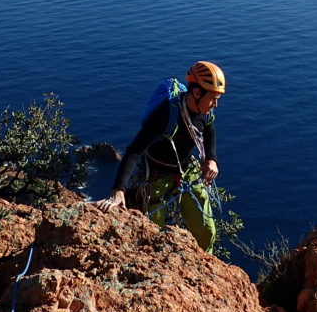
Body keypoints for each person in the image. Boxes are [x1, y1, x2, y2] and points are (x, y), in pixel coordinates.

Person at [95, 60, 225, 253]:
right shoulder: (165, 115)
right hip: (156, 178)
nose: (216, 104)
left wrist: (211, 159)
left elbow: (209, 129)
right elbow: (135, 151)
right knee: (153, 236)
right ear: (197, 93)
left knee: (206, 231)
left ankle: (204, 268)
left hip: (186, 173)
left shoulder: (204, 111)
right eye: (213, 98)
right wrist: (118, 190)